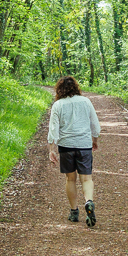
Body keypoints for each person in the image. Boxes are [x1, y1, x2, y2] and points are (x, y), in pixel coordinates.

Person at [47, 76, 101, 227]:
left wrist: (52, 149)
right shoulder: (86, 102)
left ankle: (74, 212)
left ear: (59, 89)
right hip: (84, 145)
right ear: (76, 87)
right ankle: (89, 202)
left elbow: (53, 129)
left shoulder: (58, 105)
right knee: (87, 179)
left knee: (70, 179)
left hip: (66, 146)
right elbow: (95, 124)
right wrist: (94, 140)